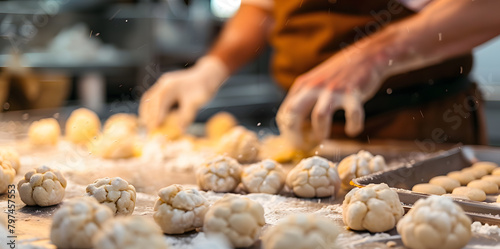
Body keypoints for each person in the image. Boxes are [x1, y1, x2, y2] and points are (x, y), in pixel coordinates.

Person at [139, 0, 500, 149]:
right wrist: (211, 68)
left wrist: (374, 55)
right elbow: (262, 8)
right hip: (307, 128)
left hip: (418, 125)